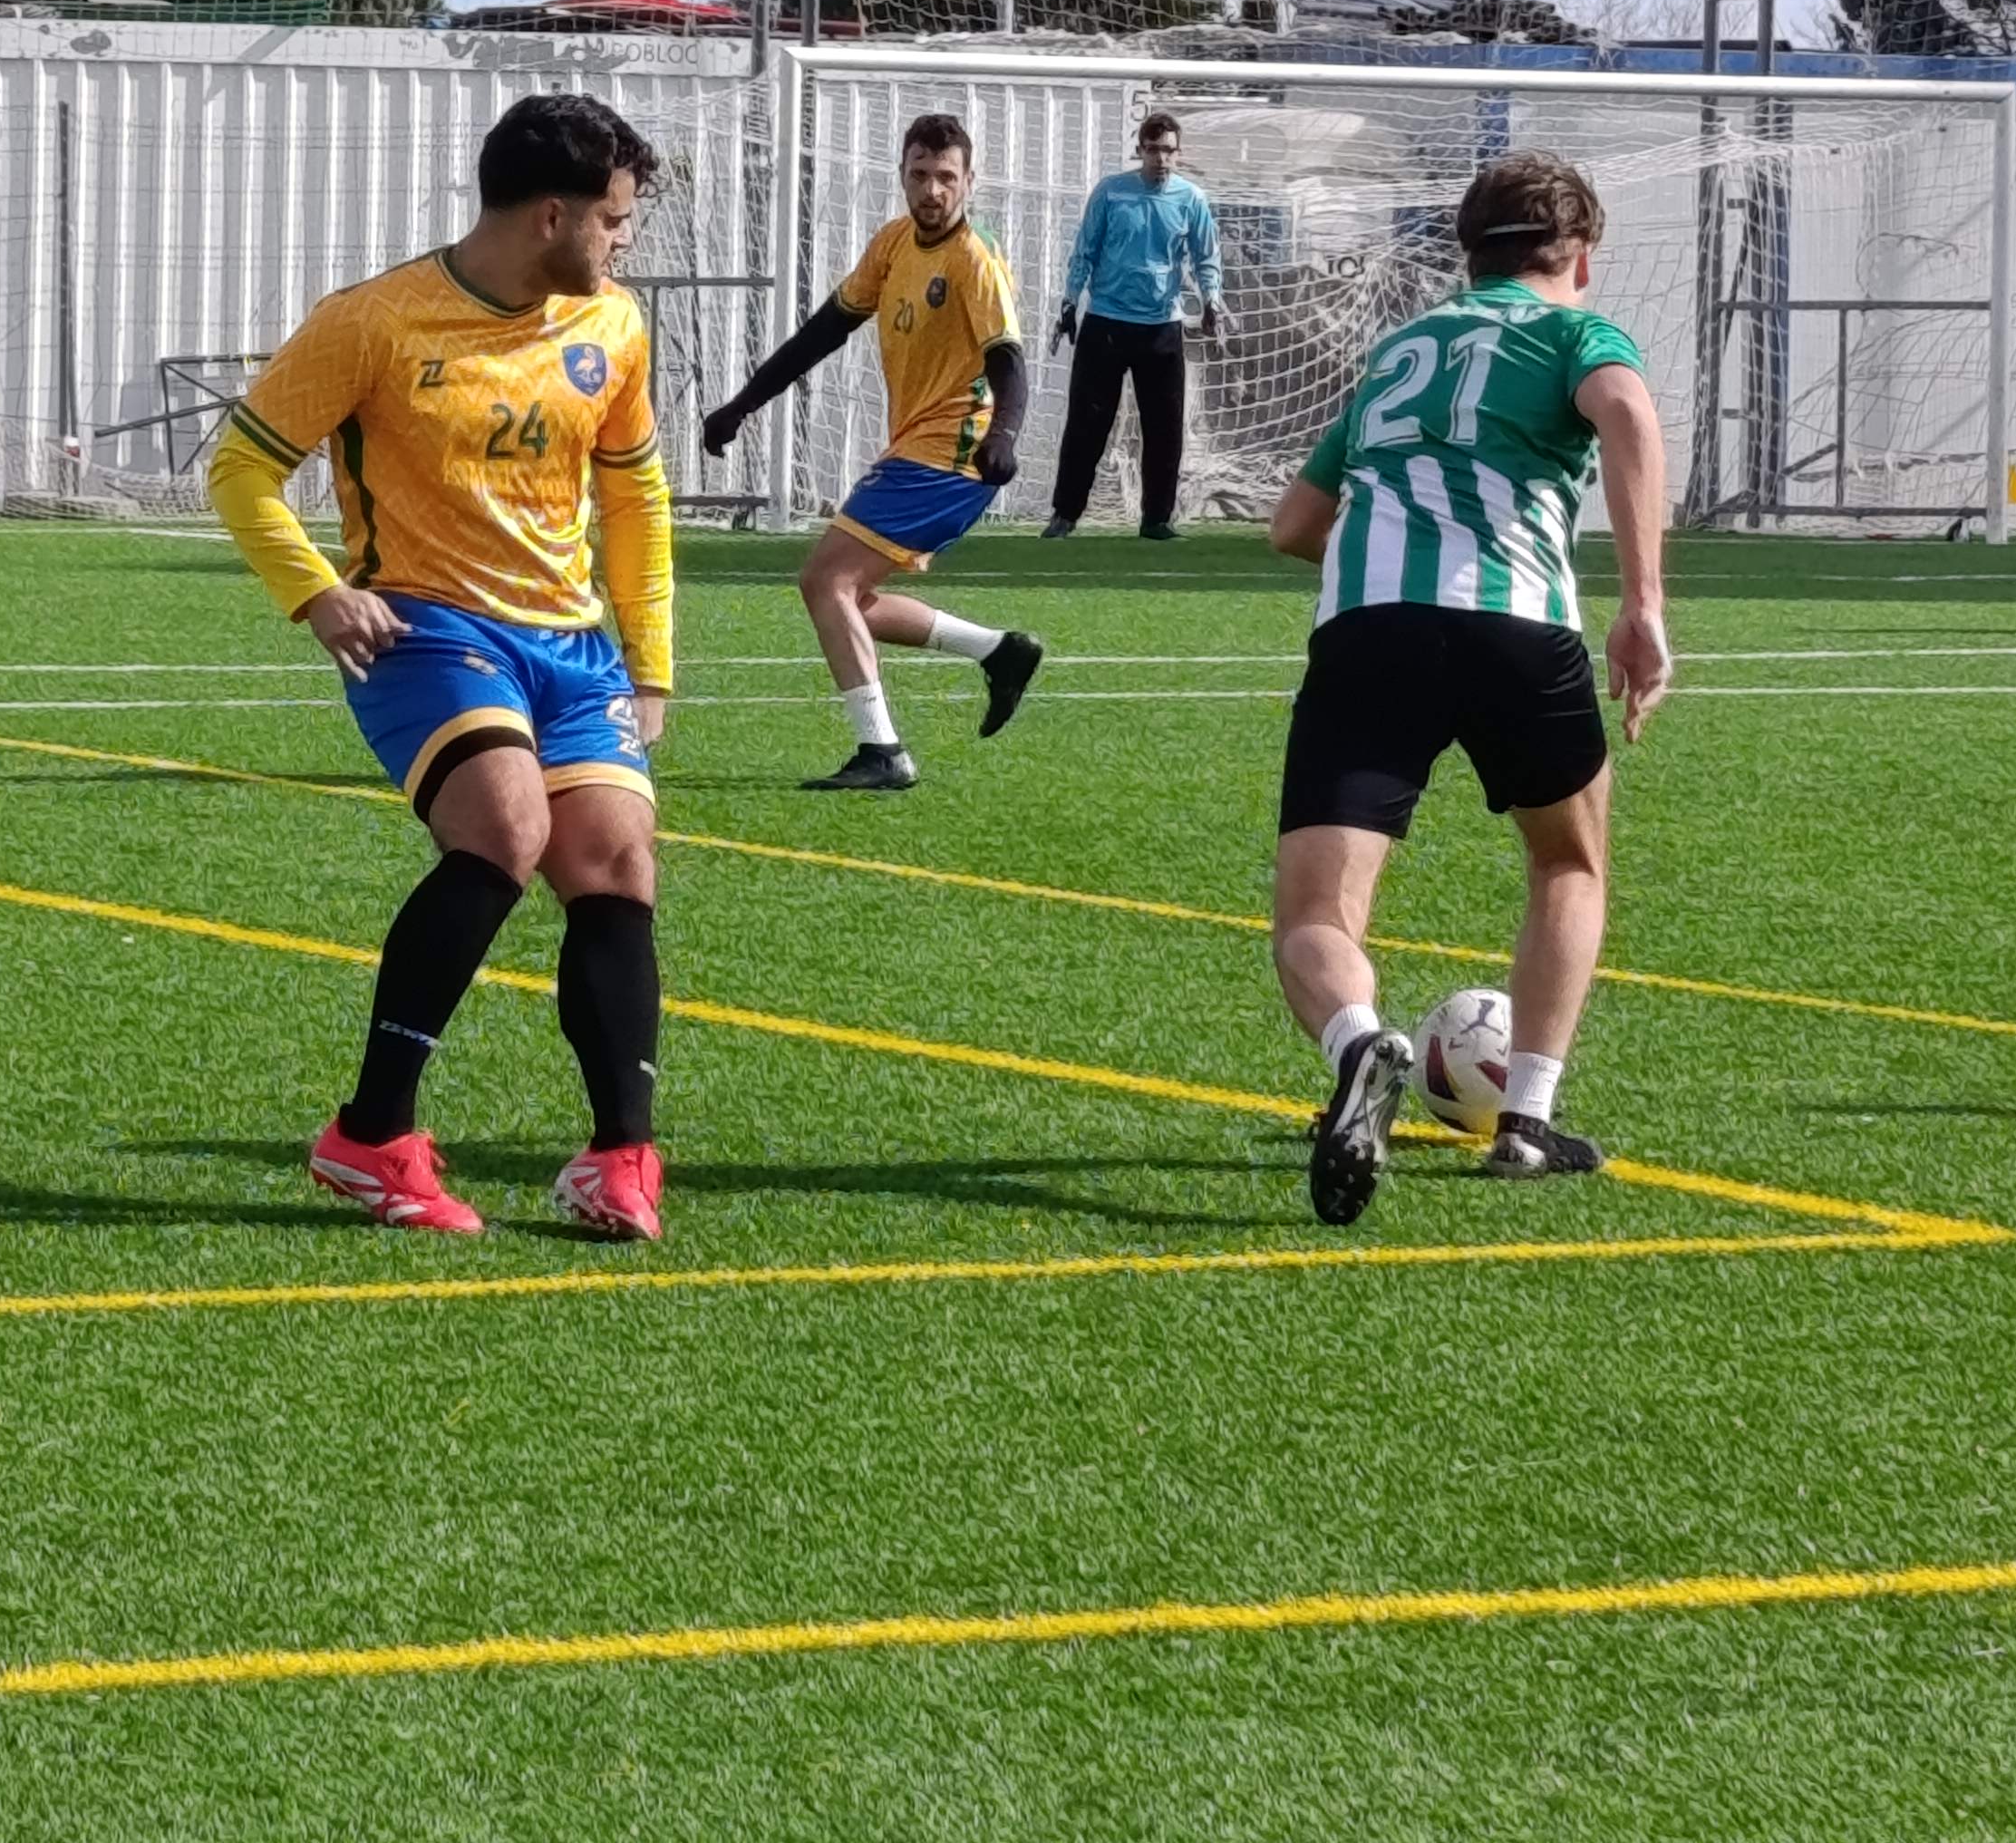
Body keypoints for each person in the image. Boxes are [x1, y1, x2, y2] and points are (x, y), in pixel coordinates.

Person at [207, 94, 677, 1240]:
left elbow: (634, 495)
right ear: (552, 215)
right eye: (615, 220)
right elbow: (241, 468)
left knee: (616, 859)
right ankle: (372, 1137)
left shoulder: (614, 326)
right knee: (507, 827)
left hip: (573, 645)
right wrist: (317, 591)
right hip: (426, 629)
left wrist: (650, 660)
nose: (624, 242)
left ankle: (618, 1159)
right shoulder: (372, 323)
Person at [1263, 150, 1669, 1218]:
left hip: (1370, 630)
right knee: (1568, 860)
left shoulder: (1402, 350)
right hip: (1517, 627)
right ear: (1578, 255)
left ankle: (1358, 1044)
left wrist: (1391, 556)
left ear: (1467, 255)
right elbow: (1627, 415)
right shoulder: (1576, 334)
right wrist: (1642, 604)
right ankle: (1526, 1122)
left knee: (1315, 916)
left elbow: (1293, 526)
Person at [700, 112, 1042, 791]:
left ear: (969, 181)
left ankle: (882, 751)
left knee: (825, 582)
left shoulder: (974, 258)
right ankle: (998, 651)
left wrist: (1004, 435)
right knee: (847, 595)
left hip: (954, 451)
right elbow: (823, 332)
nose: (933, 190)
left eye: (947, 177)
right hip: (916, 445)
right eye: (921, 174)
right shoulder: (892, 244)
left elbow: (1009, 358)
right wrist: (743, 404)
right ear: (903, 175)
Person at [1044, 109, 1226, 540]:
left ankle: (1157, 519)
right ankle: (1064, 514)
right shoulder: (1111, 193)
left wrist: (1212, 300)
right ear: (1140, 150)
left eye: (1169, 151)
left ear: (1179, 153)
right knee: (1087, 424)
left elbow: (1206, 257)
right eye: (1154, 150)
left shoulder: (1191, 200)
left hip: (1162, 328)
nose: (1162, 159)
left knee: (1164, 428)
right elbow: (1085, 250)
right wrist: (1070, 302)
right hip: (1106, 322)